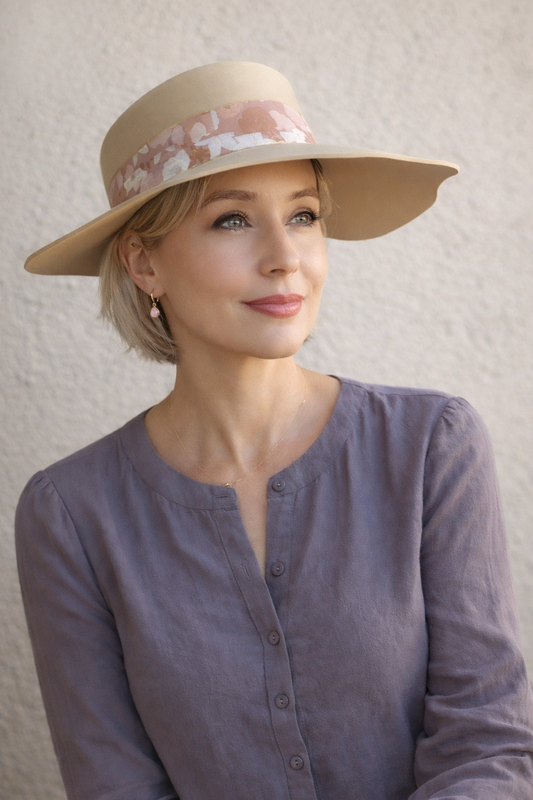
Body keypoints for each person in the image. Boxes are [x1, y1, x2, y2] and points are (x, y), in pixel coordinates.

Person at [15, 61, 533, 800]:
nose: (285, 258)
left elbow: (485, 743)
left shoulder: (430, 445)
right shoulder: (69, 513)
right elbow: (111, 782)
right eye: (232, 219)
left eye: (303, 216)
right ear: (143, 260)